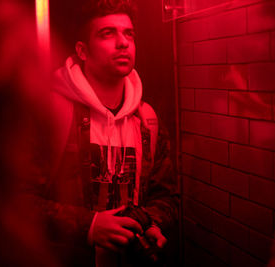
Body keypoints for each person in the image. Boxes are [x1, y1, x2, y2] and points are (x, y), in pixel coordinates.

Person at [33, 0, 179, 266]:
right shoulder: (50, 114)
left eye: (129, 34)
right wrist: (89, 226)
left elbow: (166, 196)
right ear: (83, 51)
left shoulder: (147, 120)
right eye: (107, 33)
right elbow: (18, 202)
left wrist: (150, 223)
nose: (123, 42)